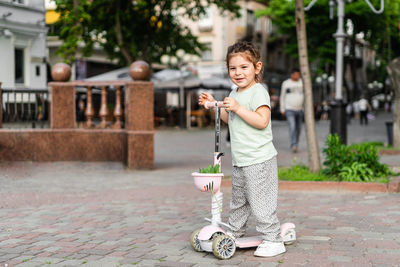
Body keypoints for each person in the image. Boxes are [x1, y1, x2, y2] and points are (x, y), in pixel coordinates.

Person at [198, 41, 285, 257]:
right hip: (241, 159)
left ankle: (274, 239)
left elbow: (262, 120)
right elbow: (232, 119)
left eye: (244, 67)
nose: (238, 73)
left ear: (257, 68)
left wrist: (237, 107)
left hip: (259, 158)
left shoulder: (258, 91)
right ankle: (234, 233)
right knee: (239, 200)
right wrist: (214, 105)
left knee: (260, 200)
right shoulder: (234, 92)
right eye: (233, 68)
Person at [279, 68, 304, 153]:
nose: (298, 76)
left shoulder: (302, 82)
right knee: (292, 126)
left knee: (298, 128)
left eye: (298, 74)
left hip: (300, 109)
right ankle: (293, 145)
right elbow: (282, 96)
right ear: (292, 75)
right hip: (289, 109)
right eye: (296, 74)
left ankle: (296, 143)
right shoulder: (286, 83)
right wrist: (282, 108)